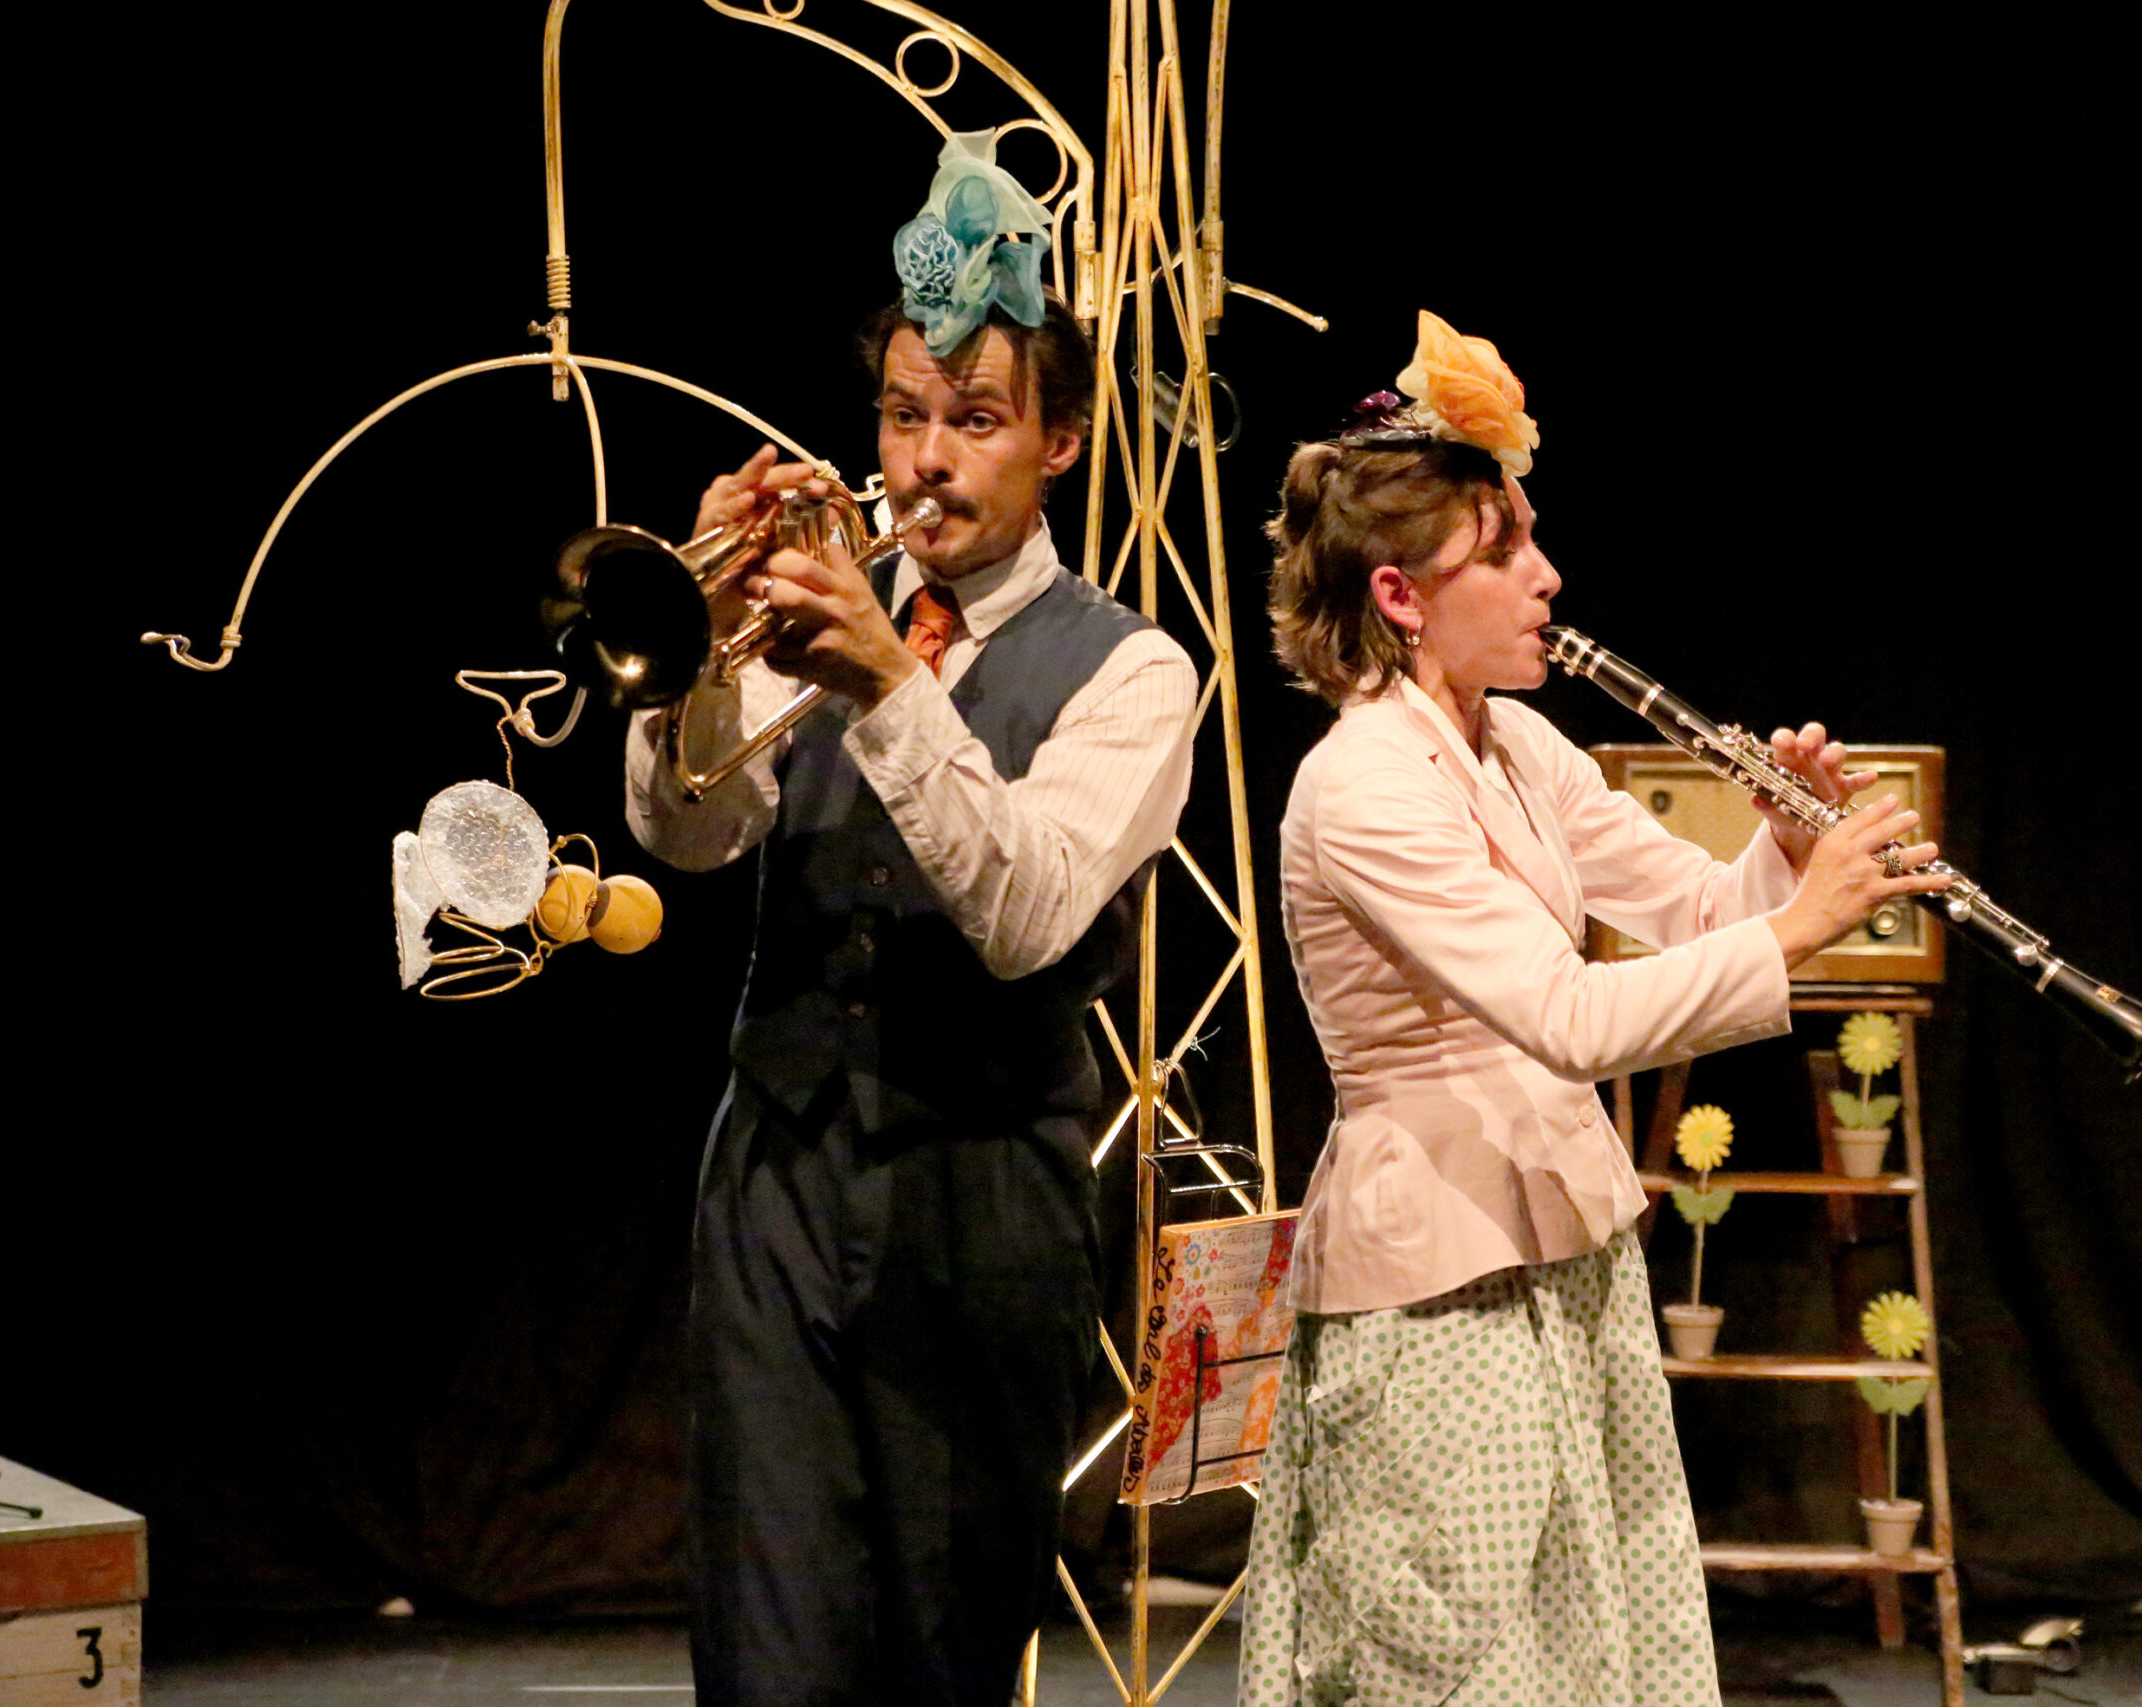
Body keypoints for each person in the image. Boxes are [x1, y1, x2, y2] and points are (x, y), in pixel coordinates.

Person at [1236, 312, 1951, 1707]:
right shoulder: (1364, 784)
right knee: (1453, 1656)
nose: (1547, 575)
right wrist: (1802, 925)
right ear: (1400, 595)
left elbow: (1693, 909)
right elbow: (1568, 1017)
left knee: (1590, 1636)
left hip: (1565, 1240)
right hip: (1437, 1277)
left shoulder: (1518, 741)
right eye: (1504, 550)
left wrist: (1782, 856)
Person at [624, 133, 1196, 1705]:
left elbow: (1028, 912)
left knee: (943, 1653)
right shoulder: (822, 612)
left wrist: (887, 683)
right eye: (901, 415)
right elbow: (687, 832)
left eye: (974, 422)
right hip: (778, 1184)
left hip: (982, 1205)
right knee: (770, 1659)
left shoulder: (1134, 670)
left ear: (1059, 443)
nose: (924, 460)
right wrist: (702, 657)